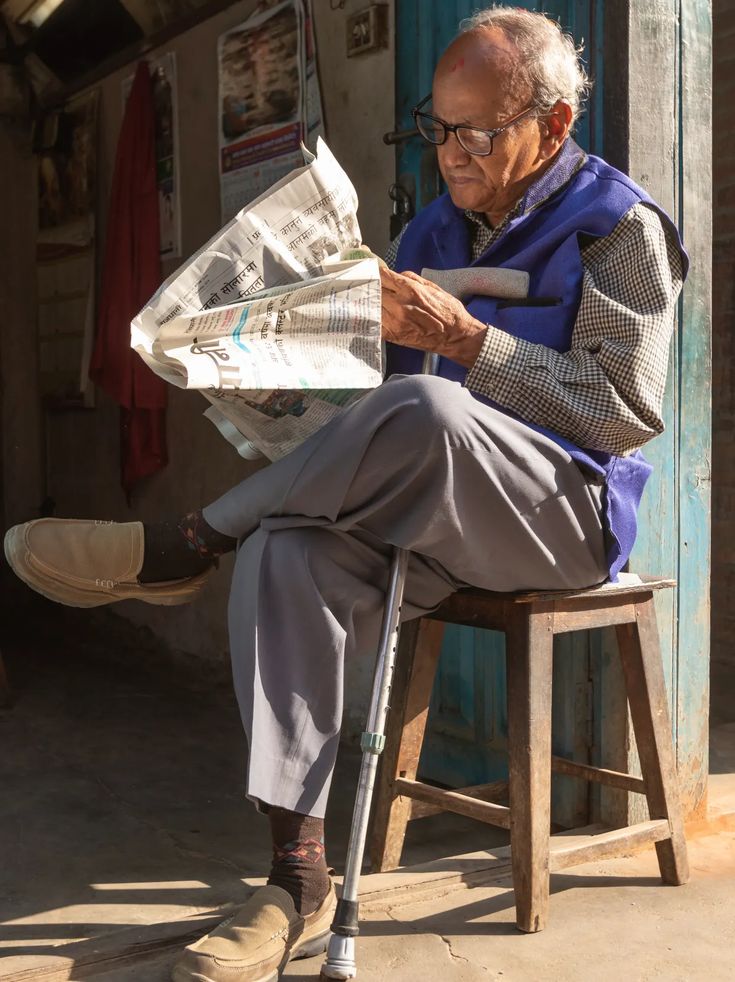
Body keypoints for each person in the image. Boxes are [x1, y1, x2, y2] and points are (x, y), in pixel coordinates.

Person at [5, 8, 686, 982]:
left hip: (560, 516)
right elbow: (382, 404)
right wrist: (284, 377)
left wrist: (467, 344)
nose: (451, 153)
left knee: (431, 411)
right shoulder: (437, 226)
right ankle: (297, 880)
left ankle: (188, 542)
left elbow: (621, 410)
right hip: (432, 505)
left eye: (477, 133)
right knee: (290, 551)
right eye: (437, 128)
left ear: (556, 123)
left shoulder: (619, 226)